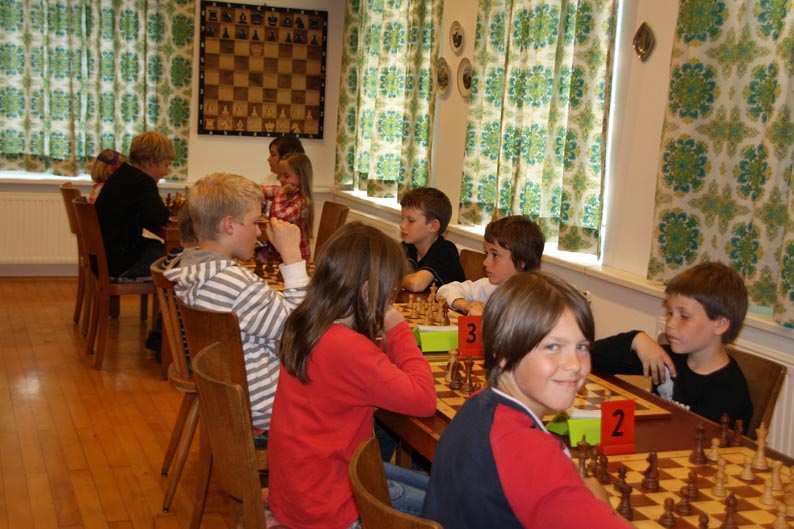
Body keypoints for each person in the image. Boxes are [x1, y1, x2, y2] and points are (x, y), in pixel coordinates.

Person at [422, 271, 633, 529]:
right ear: (503, 352)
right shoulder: (530, 454)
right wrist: (604, 507)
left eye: (582, 347)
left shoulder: (479, 404)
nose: (574, 364)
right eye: (553, 347)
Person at [268, 222, 437, 529]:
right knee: (451, 505)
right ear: (368, 291)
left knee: (439, 486)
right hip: (333, 508)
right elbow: (424, 399)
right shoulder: (348, 348)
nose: (390, 301)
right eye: (389, 293)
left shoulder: (304, 323)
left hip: (301, 489)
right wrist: (398, 328)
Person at [165, 172, 309, 431]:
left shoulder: (200, 271)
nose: (259, 231)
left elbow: (271, 315)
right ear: (229, 225)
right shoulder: (232, 281)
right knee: (356, 397)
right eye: (254, 222)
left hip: (233, 394)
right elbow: (301, 328)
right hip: (266, 403)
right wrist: (292, 255)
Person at [590, 261, 753, 429]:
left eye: (684, 316)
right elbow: (590, 358)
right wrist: (636, 339)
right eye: (670, 313)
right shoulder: (667, 359)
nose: (670, 324)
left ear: (720, 324)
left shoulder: (729, 391)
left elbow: (703, 441)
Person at [94, 131, 172, 279]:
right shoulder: (142, 182)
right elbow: (158, 217)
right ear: (151, 162)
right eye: (166, 165)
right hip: (119, 263)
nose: (166, 173)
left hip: (103, 257)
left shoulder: (121, 174)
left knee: (159, 247)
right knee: (175, 257)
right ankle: (170, 295)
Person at [438, 215, 545, 315]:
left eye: (495, 255)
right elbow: (445, 290)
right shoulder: (489, 286)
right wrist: (466, 306)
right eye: (487, 253)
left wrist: (483, 318)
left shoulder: (535, 303)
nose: (485, 262)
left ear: (522, 261)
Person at [400, 187, 465, 292]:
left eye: (410, 221)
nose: (402, 225)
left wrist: (395, 277)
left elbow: (416, 284)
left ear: (433, 226)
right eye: (402, 219)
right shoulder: (407, 247)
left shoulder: (444, 250)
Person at [260, 152, 314, 262]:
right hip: (281, 253)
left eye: (286, 176)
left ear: (301, 177)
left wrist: (280, 194)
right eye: (280, 175)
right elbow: (260, 190)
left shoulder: (302, 202)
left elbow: (279, 217)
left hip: (296, 257)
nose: (281, 179)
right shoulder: (283, 191)